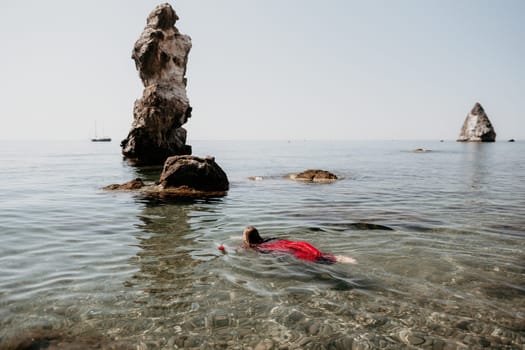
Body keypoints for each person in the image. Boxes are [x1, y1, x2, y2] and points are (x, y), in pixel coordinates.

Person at [242, 226, 357, 264]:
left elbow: (238, 248)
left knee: (309, 257)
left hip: (279, 249)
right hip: (285, 243)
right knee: (307, 250)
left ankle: (335, 259)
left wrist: (224, 249)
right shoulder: (266, 238)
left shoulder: (253, 247)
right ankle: (337, 257)